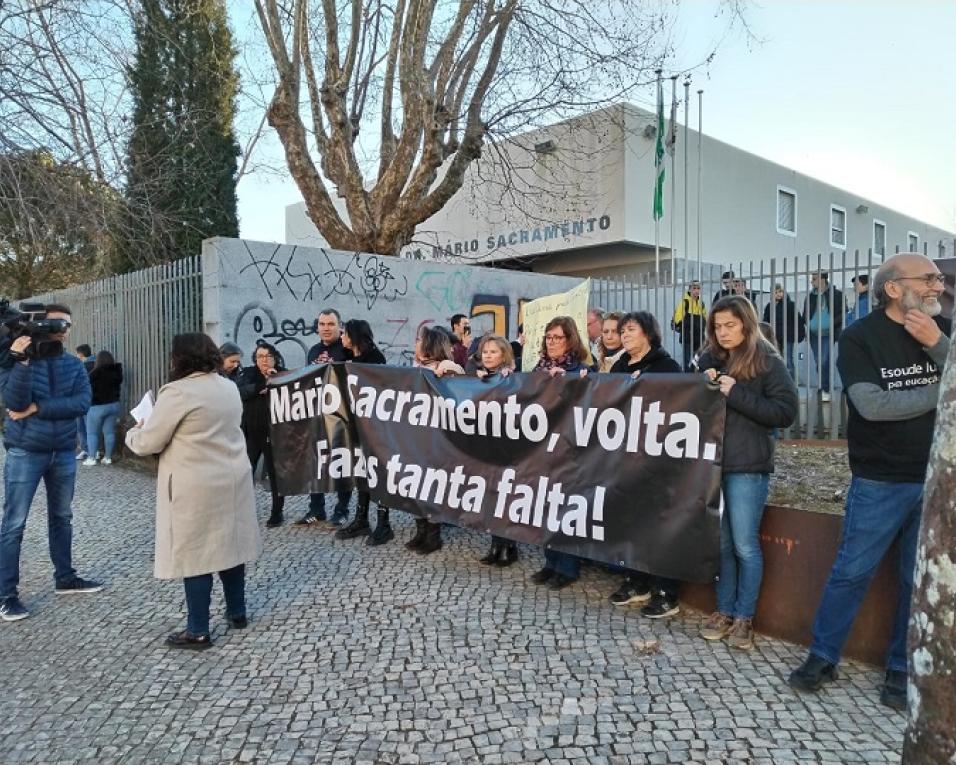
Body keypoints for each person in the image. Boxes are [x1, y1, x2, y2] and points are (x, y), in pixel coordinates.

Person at [788, 253, 949, 711]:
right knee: (851, 571)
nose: (938, 285)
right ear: (895, 289)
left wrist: (938, 345)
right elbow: (873, 406)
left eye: (939, 278)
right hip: (880, 478)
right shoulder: (859, 336)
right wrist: (945, 387)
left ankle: (901, 667)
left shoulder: (946, 332)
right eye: (929, 278)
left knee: (914, 581)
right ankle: (823, 655)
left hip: (937, 478)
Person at [126, 333, 261, 649]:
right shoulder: (228, 386)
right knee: (231, 545)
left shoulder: (177, 393)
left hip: (194, 484)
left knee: (195, 554)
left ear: (179, 358)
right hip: (232, 477)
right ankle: (237, 612)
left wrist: (136, 429)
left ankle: (198, 629)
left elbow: (149, 442)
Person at [696, 296, 798, 650]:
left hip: (748, 466)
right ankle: (723, 609)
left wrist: (734, 392)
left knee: (744, 544)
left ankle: (744, 616)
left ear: (747, 324)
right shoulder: (708, 357)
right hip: (712, 463)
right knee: (721, 544)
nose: (723, 333)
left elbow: (785, 412)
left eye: (730, 326)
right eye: (718, 327)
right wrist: (701, 383)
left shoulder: (768, 360)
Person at [0, 304, 102, 622]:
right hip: (25, 451)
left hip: (63, 452)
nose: (63, 329)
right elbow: (14, 403)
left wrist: (38, 408)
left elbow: (82, 403)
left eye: (67, 324)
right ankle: (6, 595)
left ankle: (65, 578)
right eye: (58, 323)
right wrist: (22, 362)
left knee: (63, 517)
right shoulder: (15, 361)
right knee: (14, 524)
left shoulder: (73, 364)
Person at [606, 311, 683, 617]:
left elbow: (680, 407)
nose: (624, 335)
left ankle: (666, 589)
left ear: (648, 334)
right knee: (631, 520)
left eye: (631, 330)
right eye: (622, 330)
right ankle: (636, 579)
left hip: (660, 459)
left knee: (659, 523)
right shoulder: (620, 366)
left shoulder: (667, 367)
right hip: (627, 458)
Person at [529, 316, 590, 591]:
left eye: (557, 337)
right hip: (542, 447)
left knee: (566, 507)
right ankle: (550, 562)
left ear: (570, 340)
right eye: (548, 337)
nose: (551, 342)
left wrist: (567, 381)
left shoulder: (582, 369)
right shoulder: (539, 368)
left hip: (569, 448)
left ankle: (568, 567)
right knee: (545, 504)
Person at [405, 326, 465, 555]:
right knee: (416, 486)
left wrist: (447, 368)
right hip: (417, 438)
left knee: (431, 488)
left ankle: (433, 535)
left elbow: (458, 375)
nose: (416, 343)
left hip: (437, 440)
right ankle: (420, 530)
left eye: (420, 340)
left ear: (430, 346)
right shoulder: (418, 369)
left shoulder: (445, 369)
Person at [334, 319, 394, 546]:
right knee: (361, 470)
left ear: (354, 336)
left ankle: (383, 523)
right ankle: (361, 519)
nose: (341, 337)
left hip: (375, 427)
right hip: (356, 425)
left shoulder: (375, 359)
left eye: (344, 334)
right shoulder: (347, 358)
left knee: (377, 472)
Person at [297, 308, 353, 527]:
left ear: (340, 326)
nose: (326, 328)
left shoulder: (347, 350)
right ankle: (316, 509)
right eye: (322, 324)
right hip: (316, 417)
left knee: (341, 463)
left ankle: (341, 510)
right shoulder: (313, 351)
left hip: (341, 417)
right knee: (315, 463)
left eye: (330, 324)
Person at [472, 335, 519, 567]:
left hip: (507, 447)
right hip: (485, 446)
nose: (488, 356)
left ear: (504, 355)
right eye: (485, 352)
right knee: (490, 496)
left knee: (505, 497)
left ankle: (509, 546)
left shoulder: (513, 378)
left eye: (493, 352)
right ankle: (495, 544)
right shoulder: (479, 377)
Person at [238, 342, 286, 528]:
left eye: (268, 356)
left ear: (275, 358)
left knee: (275, 475)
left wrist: (276, 381)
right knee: (244, 471)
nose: (264, 360)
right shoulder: (249, 373)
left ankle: (277, 512)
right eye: (260, 356)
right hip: (251, 431)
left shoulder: (283, 373)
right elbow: (240, 391)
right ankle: (243, 511)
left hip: (274, 433)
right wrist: (261, 385)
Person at [804, 271, 844, 400]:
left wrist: (831, 323)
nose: (812, 281)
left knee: (824, 360)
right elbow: (805, 313)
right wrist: (809, 324)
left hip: (828, 334)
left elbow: (843, 311)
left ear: (823, 279)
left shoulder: (836, 295)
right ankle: (823, 386)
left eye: (814, 279)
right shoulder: (810, 296)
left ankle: (825, 388)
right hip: (814, 334)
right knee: (818, 360)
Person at [83, 350, 123, 466]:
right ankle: (108, 458)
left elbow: (87, 389)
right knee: (109, 432)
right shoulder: (117, 371)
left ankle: (92, 458)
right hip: (114, 405)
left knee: (92, 433)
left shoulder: (94, 374)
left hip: (97, 406)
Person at [762, 284, 806, 377]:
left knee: (788, 360)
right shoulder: (769, 306)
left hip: (787, 336)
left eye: (780, 291)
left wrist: (800, 334)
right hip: (774, 337)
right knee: (776, 360)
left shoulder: (790, 305)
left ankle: (792, 384)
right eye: (775, 292)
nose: (778, 294)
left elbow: (797, 320)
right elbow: (765, 321)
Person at [671, 281, 707, 371]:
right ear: (690, 289)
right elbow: (677, 319)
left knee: (700, 360)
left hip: (699, 337)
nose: (696, 290)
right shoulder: (685, 302)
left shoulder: (701, 304)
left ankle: (697, 378)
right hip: (688, 336)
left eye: (698, 288)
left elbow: (706, 318)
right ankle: (687, 379)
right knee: (688, 361)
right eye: (694, 288)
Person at [74, 343, 94, 460]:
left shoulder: (83, 367)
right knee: (88, 427)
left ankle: (87, 450)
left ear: (81, 354)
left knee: (82, 427)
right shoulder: (97, 363)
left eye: (77, 353)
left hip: (81, 400)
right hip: (89, 400)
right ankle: (90, 450)